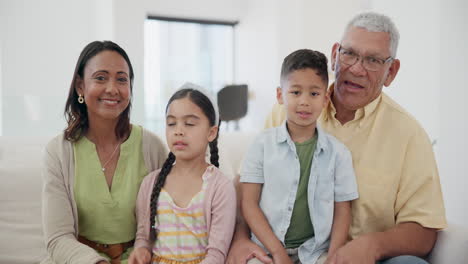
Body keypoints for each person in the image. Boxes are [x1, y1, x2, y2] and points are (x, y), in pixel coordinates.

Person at [228, 12, 447, 264]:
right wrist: (240, 239)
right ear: (334, 56)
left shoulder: (409, 135)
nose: (356, 68)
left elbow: (425, 230)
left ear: (391, 72)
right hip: (280, 249)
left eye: (373, 60)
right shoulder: (286, 112)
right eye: (349, 54)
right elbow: (246, 185)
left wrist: (372, 246)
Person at [41, 41, 168, 264]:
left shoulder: (153, 147)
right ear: (80, 86)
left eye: (121, 79)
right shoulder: (58, 152)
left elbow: (167, 223)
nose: (112, 88)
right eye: (100, 78)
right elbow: (58, 238)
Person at [240, 49, 358, 264]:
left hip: (315, 252)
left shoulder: (338, 153)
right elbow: (248, 203)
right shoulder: (261, 145)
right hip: (266, 249)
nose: (304, 102)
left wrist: (334, 255)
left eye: (313, 94)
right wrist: (277, 252)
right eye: (295, 92)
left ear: (325, 98)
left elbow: (343, 210)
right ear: (280, 95)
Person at [128, 85, 237, 264]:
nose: (178, 130)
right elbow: (143, 237)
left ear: (211, 132)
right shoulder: (150, 183)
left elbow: (217, 254)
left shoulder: (220, 187)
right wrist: (141, 250)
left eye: (189, 123)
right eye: (171, 123)